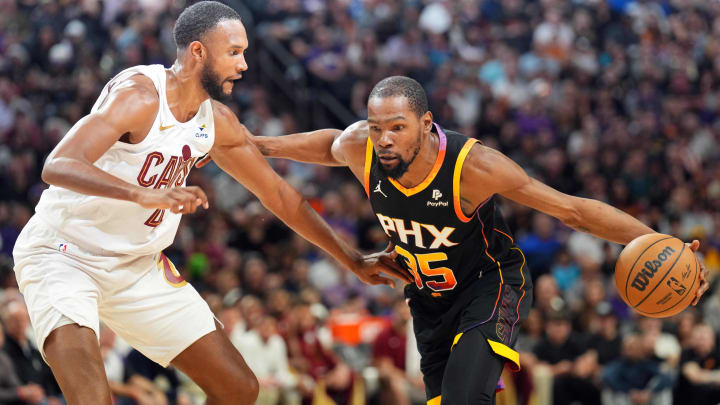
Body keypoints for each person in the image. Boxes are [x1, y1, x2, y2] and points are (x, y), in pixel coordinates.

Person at [200, 75, 710, 404]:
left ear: (426, 124)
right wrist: (257, 144)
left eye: (397, 127)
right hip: (428, 300)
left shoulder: (474, 168)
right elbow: (332, 145)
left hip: (490, 285)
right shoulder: (365, 149)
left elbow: (573, 211)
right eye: (377, 128)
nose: (385, 139)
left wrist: (656, 238)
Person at [11, 3, 410, 405]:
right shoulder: (140, 96)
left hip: (135, 267)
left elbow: (281, 197)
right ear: (198, 52)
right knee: (92, 399)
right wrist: (143, 194)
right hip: (64, 255)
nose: (244, 64)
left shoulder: (214, 121)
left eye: (245, 52)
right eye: (234, 52)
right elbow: (58, 164)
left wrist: (353, 260)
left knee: (239, 388)